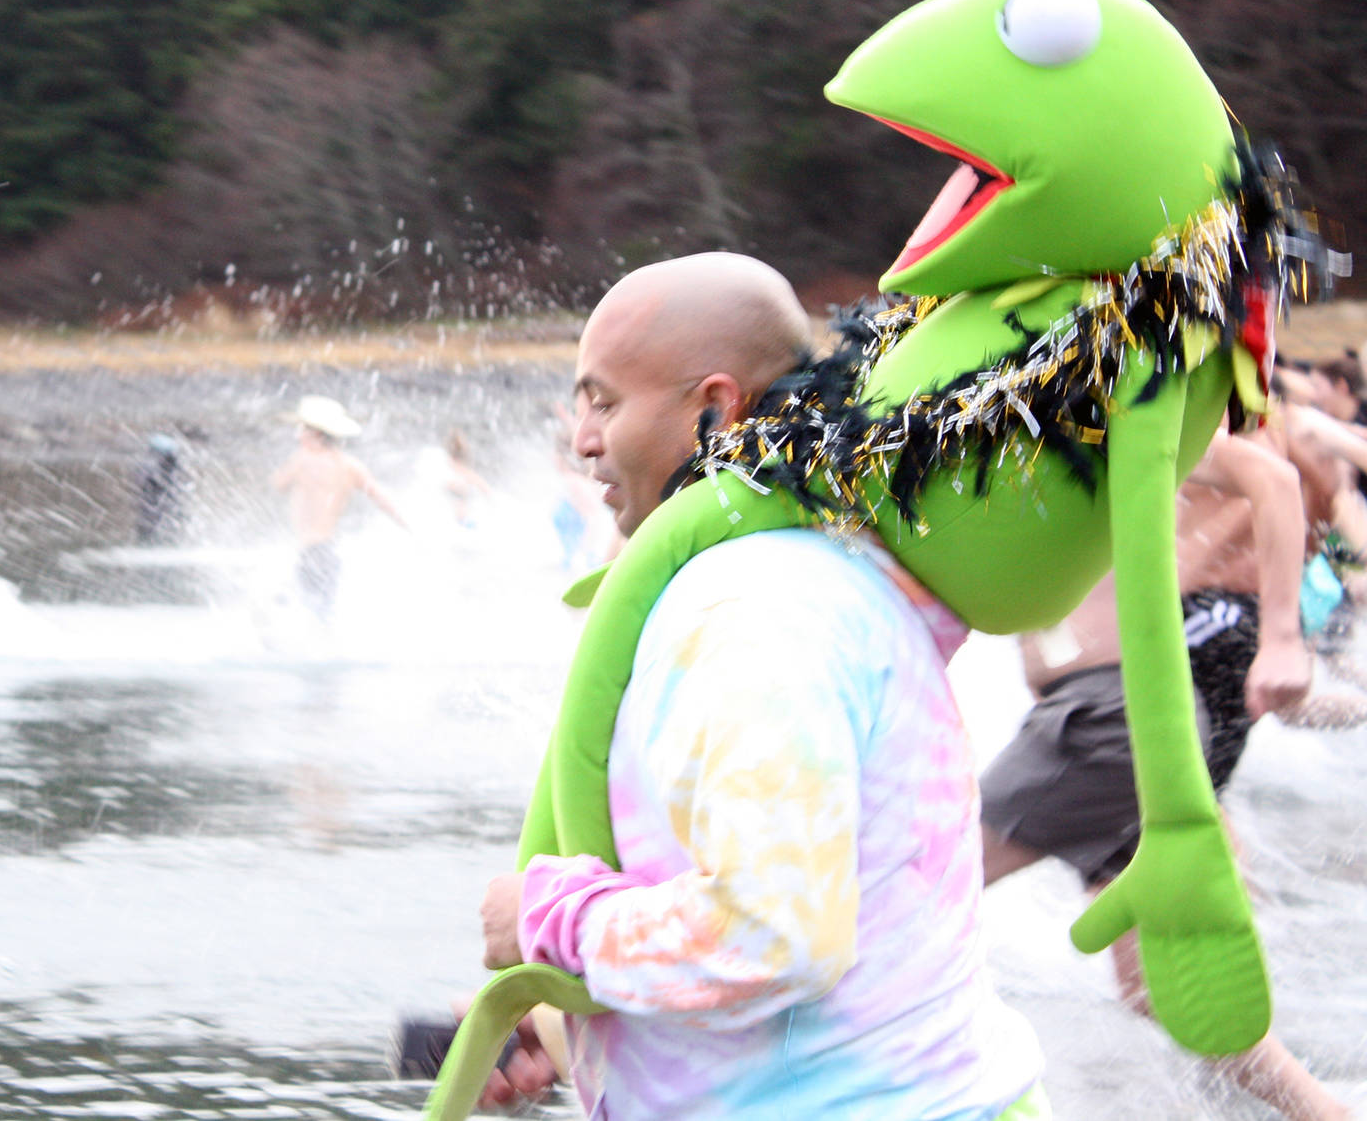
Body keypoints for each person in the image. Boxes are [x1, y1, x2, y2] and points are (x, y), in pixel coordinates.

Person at [473, 254, 1045, 1118]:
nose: (582, 439)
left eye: (605, 403)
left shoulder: (758, 610)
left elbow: (773, 934)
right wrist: (564, 1024)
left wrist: (552, 920)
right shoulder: (796, 570)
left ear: (715, 406)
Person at [981, 425, 1355, 1120]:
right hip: (1117, 727)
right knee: (1156, 989)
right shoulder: (1053, 419)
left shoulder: (1130, 411)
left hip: (1105, 718)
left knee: (913, 888)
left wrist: (1283, 639)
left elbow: (1273, 478)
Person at [269, 395, 406, 621]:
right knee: (322, 617)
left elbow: (278, 484)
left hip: (309, 553)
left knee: (291, 611)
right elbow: (383, 499)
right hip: (330, 553)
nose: (298, 435)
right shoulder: (351, 466)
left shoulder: (301, 460)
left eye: (302, 429)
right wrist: (408, 528)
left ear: (316, 434)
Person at [135, 432, 189, 545]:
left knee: (153, 521)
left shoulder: (152, 463)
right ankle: (160, 538)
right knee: (158, 520)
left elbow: (143, 478)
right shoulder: (167, 465)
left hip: (156, 502)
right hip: (159, 501)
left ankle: (153, 538)